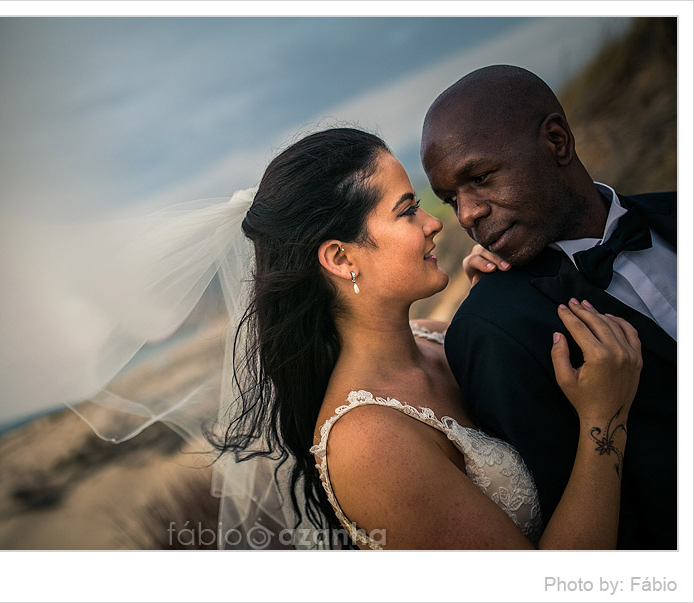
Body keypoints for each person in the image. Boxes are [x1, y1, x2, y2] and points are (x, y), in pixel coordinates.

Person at [214, 127, 643, 549]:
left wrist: (497, 313)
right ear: (341, 258)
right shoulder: (368, 445)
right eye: (406, 211)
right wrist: (605, 420)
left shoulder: (440, 339)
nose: (435, 223)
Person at [420, 65, 676, 549]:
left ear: (557, 141)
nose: (467, 213)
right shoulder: (494, 330)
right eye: (452, 198)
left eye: (480, 177)